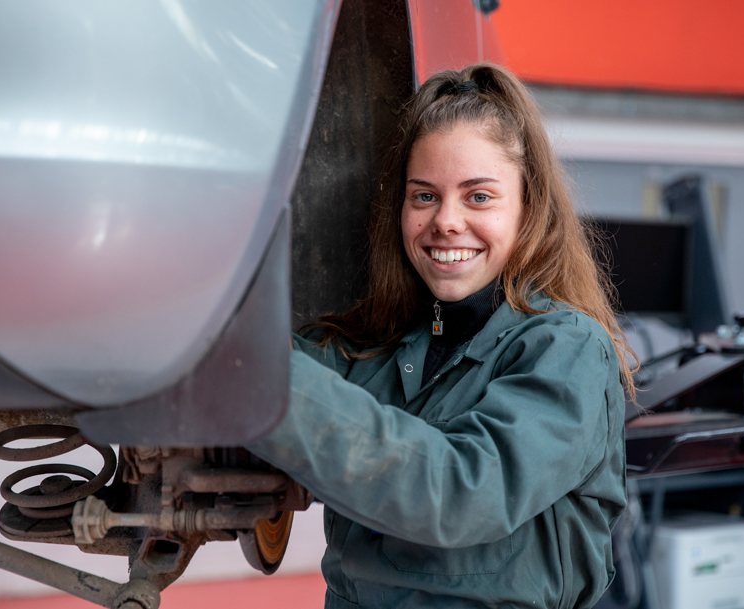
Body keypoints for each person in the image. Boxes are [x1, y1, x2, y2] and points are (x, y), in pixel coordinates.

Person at [246, 63, 636, 609]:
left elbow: (463, 493)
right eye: (424, 196)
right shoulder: (384, 347)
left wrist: (255, 373)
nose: (445, 221)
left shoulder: (567, 350)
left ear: (529, 209)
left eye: (478, 197)